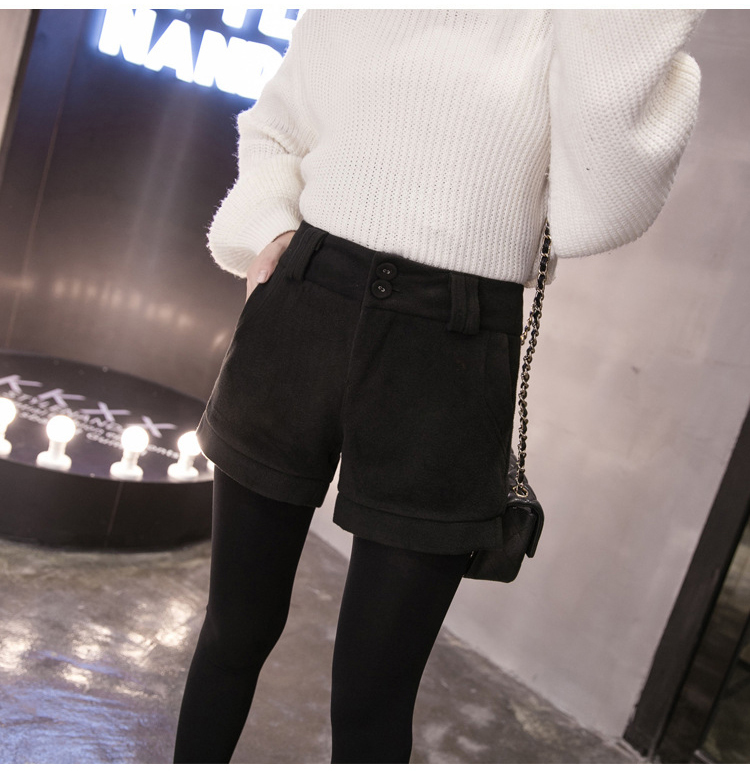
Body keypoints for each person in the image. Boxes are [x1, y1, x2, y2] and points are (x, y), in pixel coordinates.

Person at [173, 10, 703, 763]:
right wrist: (270, 225)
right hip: (305, 307)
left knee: (373, 696)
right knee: (233, 630)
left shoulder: (572, 22)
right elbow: (276, 127)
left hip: (451, 349)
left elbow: (601, 210)